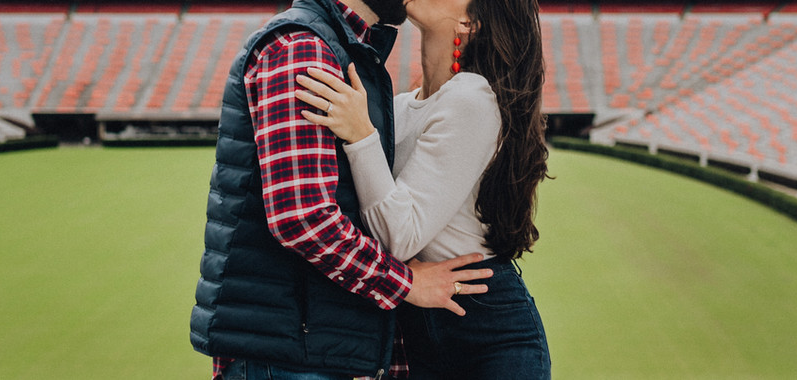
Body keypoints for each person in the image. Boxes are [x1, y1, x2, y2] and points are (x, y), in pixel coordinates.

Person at [188, 0, 494, 379]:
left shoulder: (347, 51)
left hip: (311, 344)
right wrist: (406, 284)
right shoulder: (302, 48)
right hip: (288, 351)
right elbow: (301, 217)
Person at [294, 0, 551, 378]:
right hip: (419, 324)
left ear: (469, 22)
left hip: (485, 330)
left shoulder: (472, 97)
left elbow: (400, 238)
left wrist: (361, 135)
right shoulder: (402, 105)